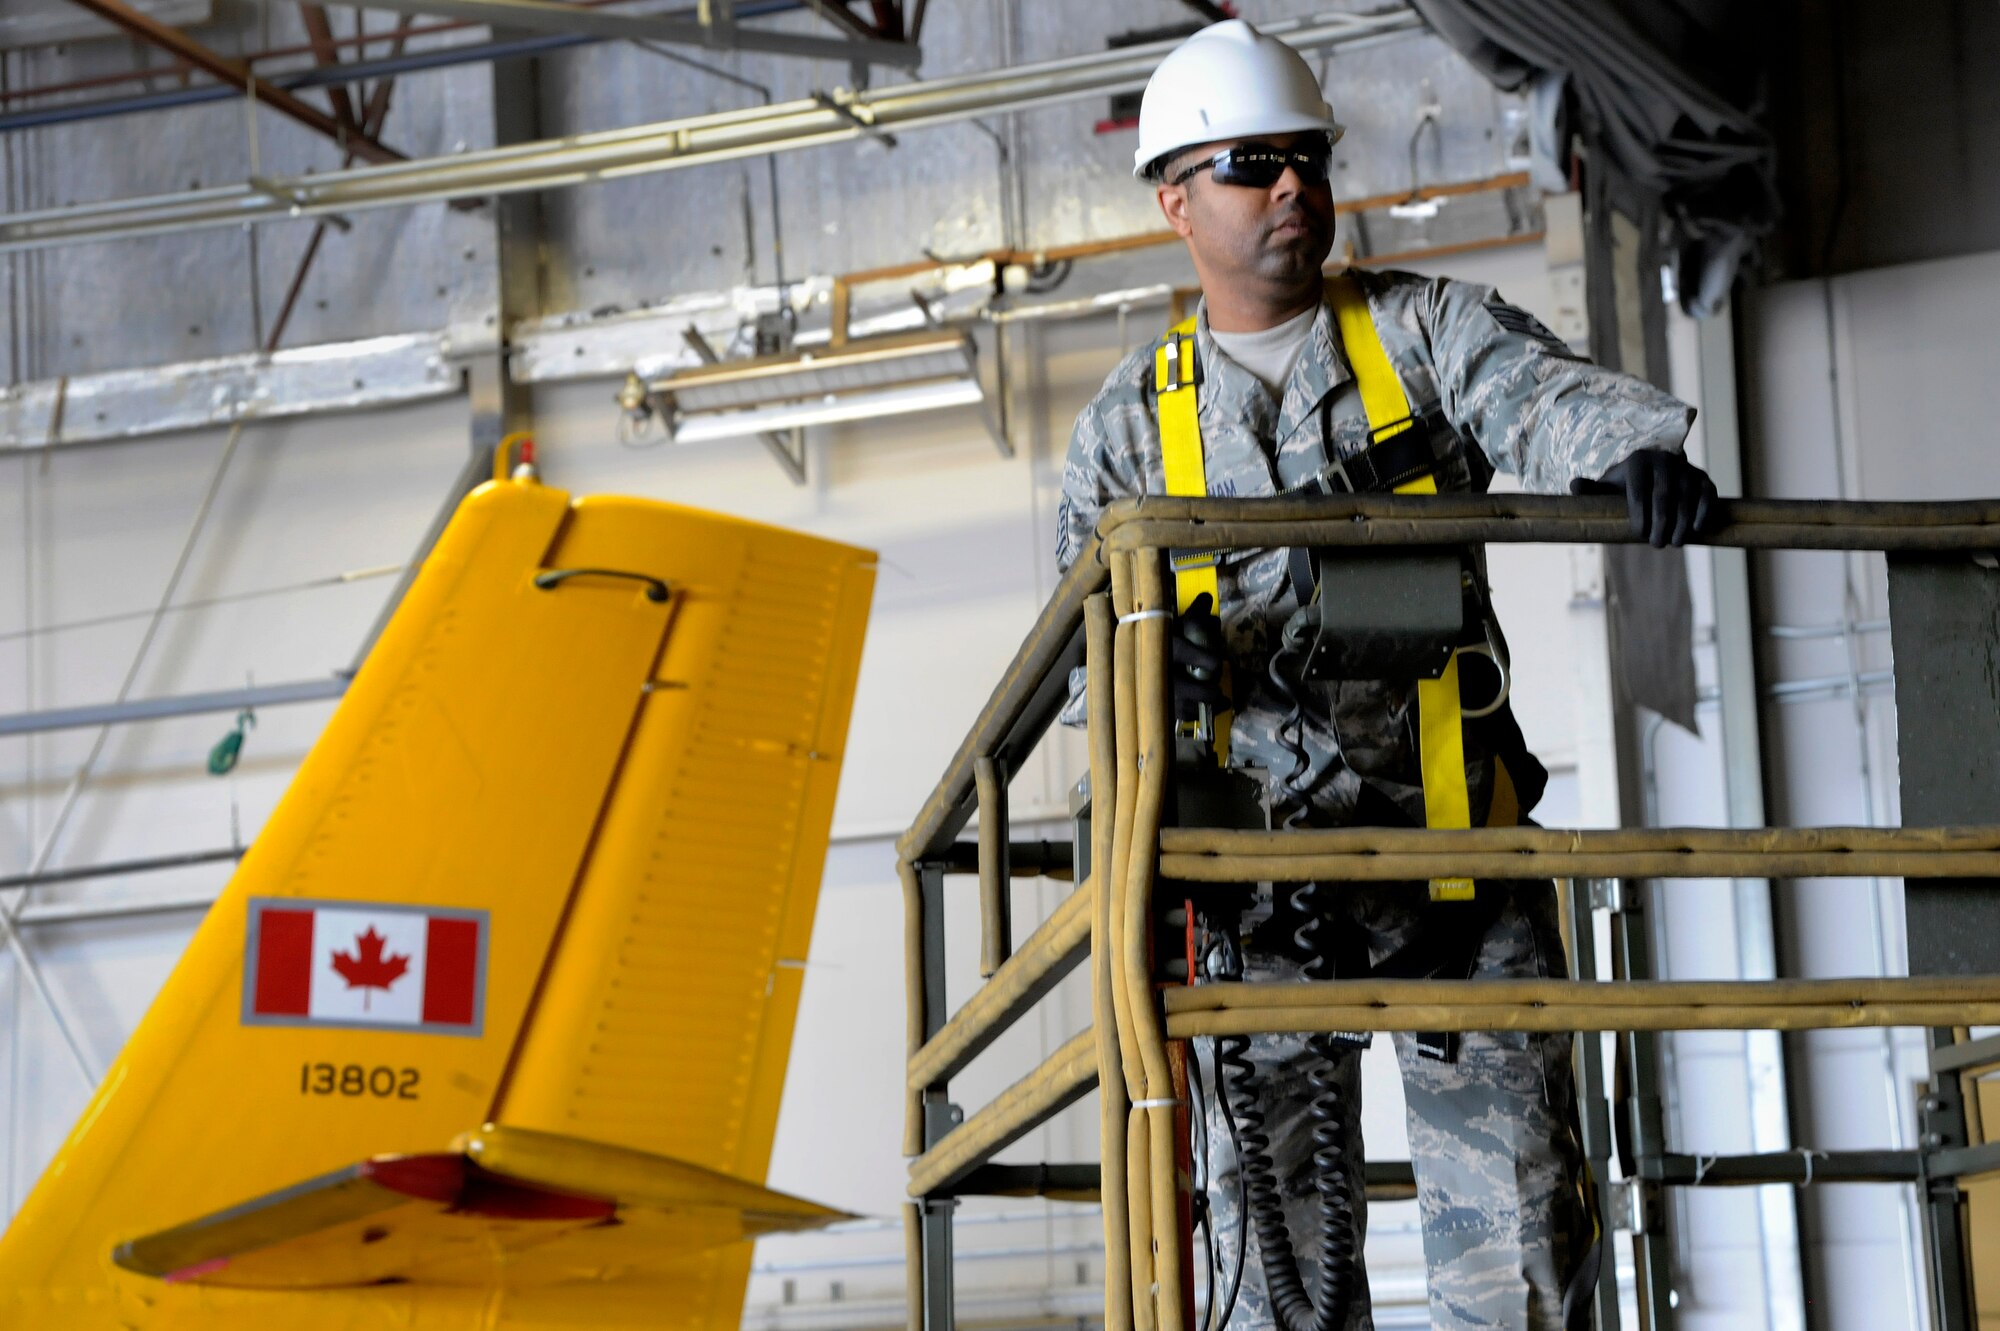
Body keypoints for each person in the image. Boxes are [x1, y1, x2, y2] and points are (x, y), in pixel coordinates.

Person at [1055, 19, 1719, 1331]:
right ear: (1176, 201)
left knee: (1508, 1237)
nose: (1295, 186)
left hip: (1453, 877)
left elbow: (1536, 395)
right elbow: (1082, 675)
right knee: (1278, 1266)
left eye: (1308, 158)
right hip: (1256, 907)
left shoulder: (1421, 335)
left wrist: (1627, 449)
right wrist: (1139, 665)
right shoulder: (1128, 429)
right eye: (1254, 165)